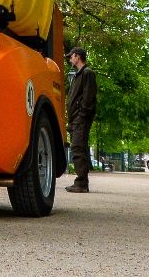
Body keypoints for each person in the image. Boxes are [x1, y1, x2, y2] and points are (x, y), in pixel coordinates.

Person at [65, 47, 97, 192]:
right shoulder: (77, 75)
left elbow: (89, 97)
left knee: (78, 148)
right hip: (75, 119)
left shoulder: (87, 73)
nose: (70, 59)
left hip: (81, 118)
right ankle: (81, 182)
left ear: (77, 57)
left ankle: (81, 184)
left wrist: (81, 115)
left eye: (71, 56)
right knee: (78, 148)